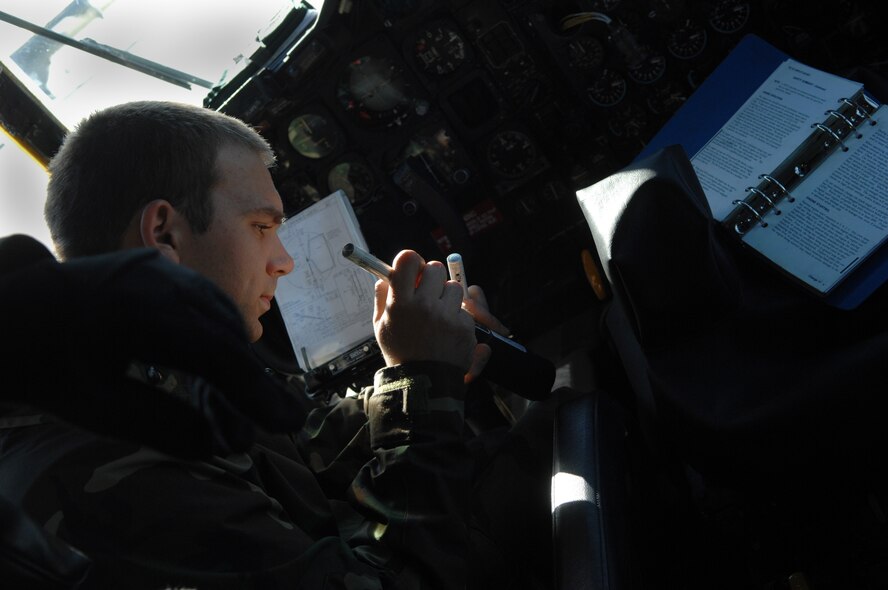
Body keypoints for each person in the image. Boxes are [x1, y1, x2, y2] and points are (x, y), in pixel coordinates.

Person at [0, 101, 565, 589]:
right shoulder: (102, 473)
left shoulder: (146, 370)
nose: (285, 261)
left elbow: (306, 446)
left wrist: (436, 362)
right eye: (261, 227)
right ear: (165, 233)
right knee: (570, 427)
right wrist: (422, 378)